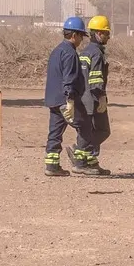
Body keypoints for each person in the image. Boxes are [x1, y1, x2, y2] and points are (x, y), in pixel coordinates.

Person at [43, 16, 89, 177]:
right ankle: (81, 162)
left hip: (53, 100)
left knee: (54, 132)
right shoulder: (70, 53)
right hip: (65, 101)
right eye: (81, 36)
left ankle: (52, 165)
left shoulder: (56, 50)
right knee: (85, 127)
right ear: (74, 35)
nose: (82, 40)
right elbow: (69, 78)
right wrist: (70, 100)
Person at [75, 14, 113, 175]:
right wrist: (101, 98)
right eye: (106, 33)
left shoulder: (84, 52)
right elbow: (96, 80)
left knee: (87, 130)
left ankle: (89, 160)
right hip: (93, 99)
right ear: (98, 33)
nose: (108, 37)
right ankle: (80, 155)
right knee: (102, 130)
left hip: (82, 97)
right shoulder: (96, 53)